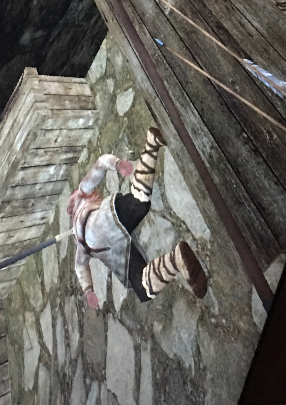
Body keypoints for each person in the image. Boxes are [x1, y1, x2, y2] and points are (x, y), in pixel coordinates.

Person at [67, 127, 207, 308]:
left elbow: (79, 267)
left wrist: (88, 290)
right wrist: (116, 164)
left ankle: (175, 260)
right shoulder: (81, 195)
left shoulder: (81, 243)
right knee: (139, 202)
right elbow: (100, 165)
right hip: (107, 227)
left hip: (110, 244)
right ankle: (177, 259)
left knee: (143, 287)